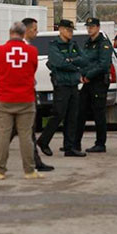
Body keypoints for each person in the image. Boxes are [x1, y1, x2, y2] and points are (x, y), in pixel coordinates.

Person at [0, 18, 54, 172]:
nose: (36, 32)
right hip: (25, 97)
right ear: (24, 32)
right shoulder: (31, 51)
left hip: (4, 97)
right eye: (34, 29)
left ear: (10, 33)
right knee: (26, 135)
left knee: (4, 135)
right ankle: (30, 168)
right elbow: (32, 68)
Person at [37, 20, 87, 158]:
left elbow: (84, 59)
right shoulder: (54, 46)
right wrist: (73, 64)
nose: (71, 33)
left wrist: (70, 61)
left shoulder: (74, 45)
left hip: (73, 84)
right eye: (69, 30)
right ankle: (43, 141)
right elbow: (57, 62)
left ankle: (69, 147)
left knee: (72, 116)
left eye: (72, 30)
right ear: (61, 30)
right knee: (58, 114)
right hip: (61, 84)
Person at [75, 17, 112, 153]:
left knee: (98, 114)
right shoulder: (87, 43)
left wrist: (89, 76)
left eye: (91, 27)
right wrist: (82, 74)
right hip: (87, 82)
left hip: (98, 82)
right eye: (88, 27)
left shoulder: (104, 44)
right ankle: (75, 143)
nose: (89, 29)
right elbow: (84, 60)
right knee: (80, 112)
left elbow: (103, 65)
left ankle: (100, 143)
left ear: (98, 27)